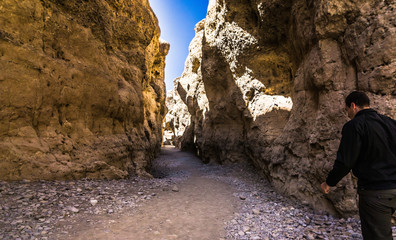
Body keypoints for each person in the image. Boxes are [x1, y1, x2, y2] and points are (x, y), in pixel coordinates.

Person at [321, 91, 396, 240]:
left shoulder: (354, 125)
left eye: (347, 109)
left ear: (353, 106)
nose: (348, 114)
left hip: (376, 192)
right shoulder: (391, 123)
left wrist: (329, 182)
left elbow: (345, 161)